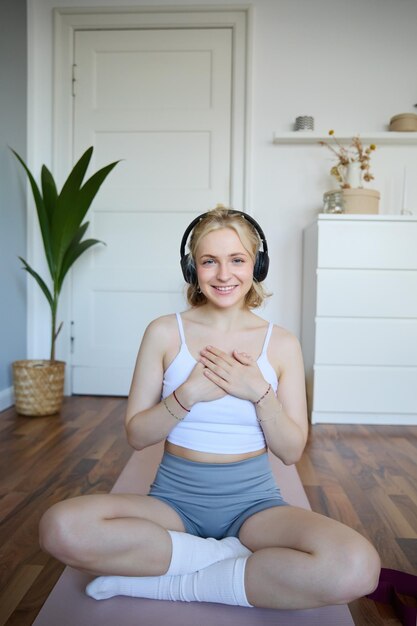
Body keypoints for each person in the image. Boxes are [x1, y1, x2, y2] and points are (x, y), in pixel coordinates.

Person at [39, 207, 380, 610]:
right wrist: (187, 395)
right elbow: (137, 434)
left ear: (257, 264)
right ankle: (222, 561)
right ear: (192, 268)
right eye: (209, 261)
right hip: (172, 503)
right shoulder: (165, 332)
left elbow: (290, 451)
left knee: (358, 566)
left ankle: (172, 581)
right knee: (59, 528)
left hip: (255, 506)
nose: (223, 274)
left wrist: (258, 392)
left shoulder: (282, 343)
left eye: (237, 260)